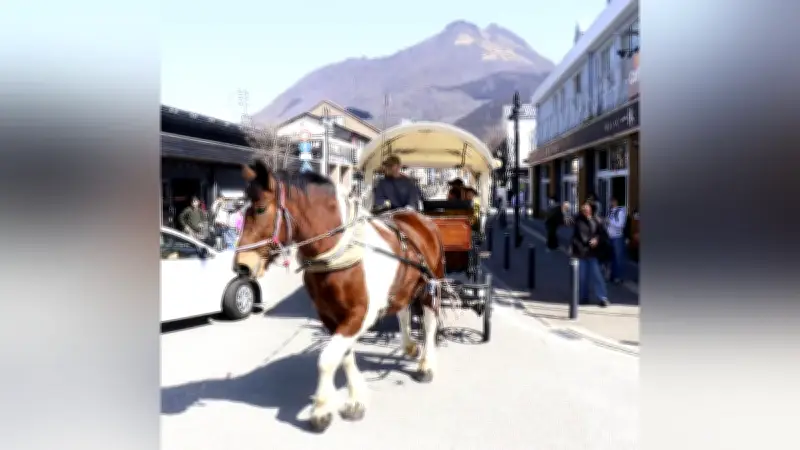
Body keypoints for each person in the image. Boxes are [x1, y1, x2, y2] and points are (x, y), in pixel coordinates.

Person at [570, 201, 610, 307]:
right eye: (584, 209)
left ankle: (602, 298)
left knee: (597, 276)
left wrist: (597, 240)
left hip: (593, 253)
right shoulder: (578, 220)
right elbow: (575, 236)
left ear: (591, 210)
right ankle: (584, 297)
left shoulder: (597, 221)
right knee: (582, 277)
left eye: (587, 209)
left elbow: (603, 235)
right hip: (582, 253)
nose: (586, 211)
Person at [605, 197, 627, 284]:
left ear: (616, 202)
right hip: (610, 237)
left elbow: (620, 225)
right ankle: (612, 275)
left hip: (617, 237)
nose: (611, 203)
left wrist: (610, 222)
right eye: (610, 201)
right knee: (611, 257)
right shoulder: (610, 211)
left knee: (618, 258)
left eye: (612, 201)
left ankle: (618, 277)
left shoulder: (620, 212)